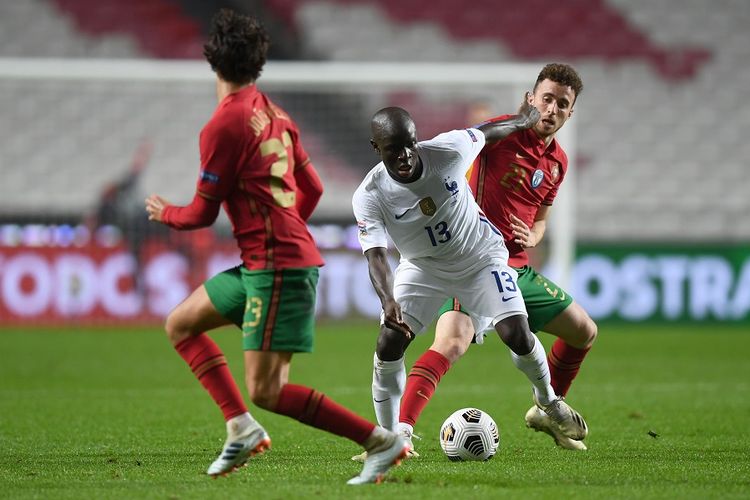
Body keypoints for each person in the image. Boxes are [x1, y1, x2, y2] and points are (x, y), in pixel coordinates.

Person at [144, 9, 407, 485]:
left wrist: (165, 213)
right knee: (181, 324)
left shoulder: (222, 126)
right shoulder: (276, 113)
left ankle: (380, 441)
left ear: (213, 59)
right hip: (266, 263)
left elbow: (200, 215)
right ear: (259, 62)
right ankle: (240, 427)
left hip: (276, 267)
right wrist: (283, 232)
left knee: (268, 390)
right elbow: (313, 187)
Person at [351, 103, 588, 460]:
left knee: (517, 334)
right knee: (389, 342)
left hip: (480, 256)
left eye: (409, 145)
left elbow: (486, 132)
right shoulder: (369, 194)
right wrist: (387, 301)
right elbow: (376, 255)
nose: (404, 156)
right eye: (392, 149)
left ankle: (548, 401)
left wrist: (523, 120)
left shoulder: (446, 151)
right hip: (422, 268)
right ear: (375, 148)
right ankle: (390, 439)